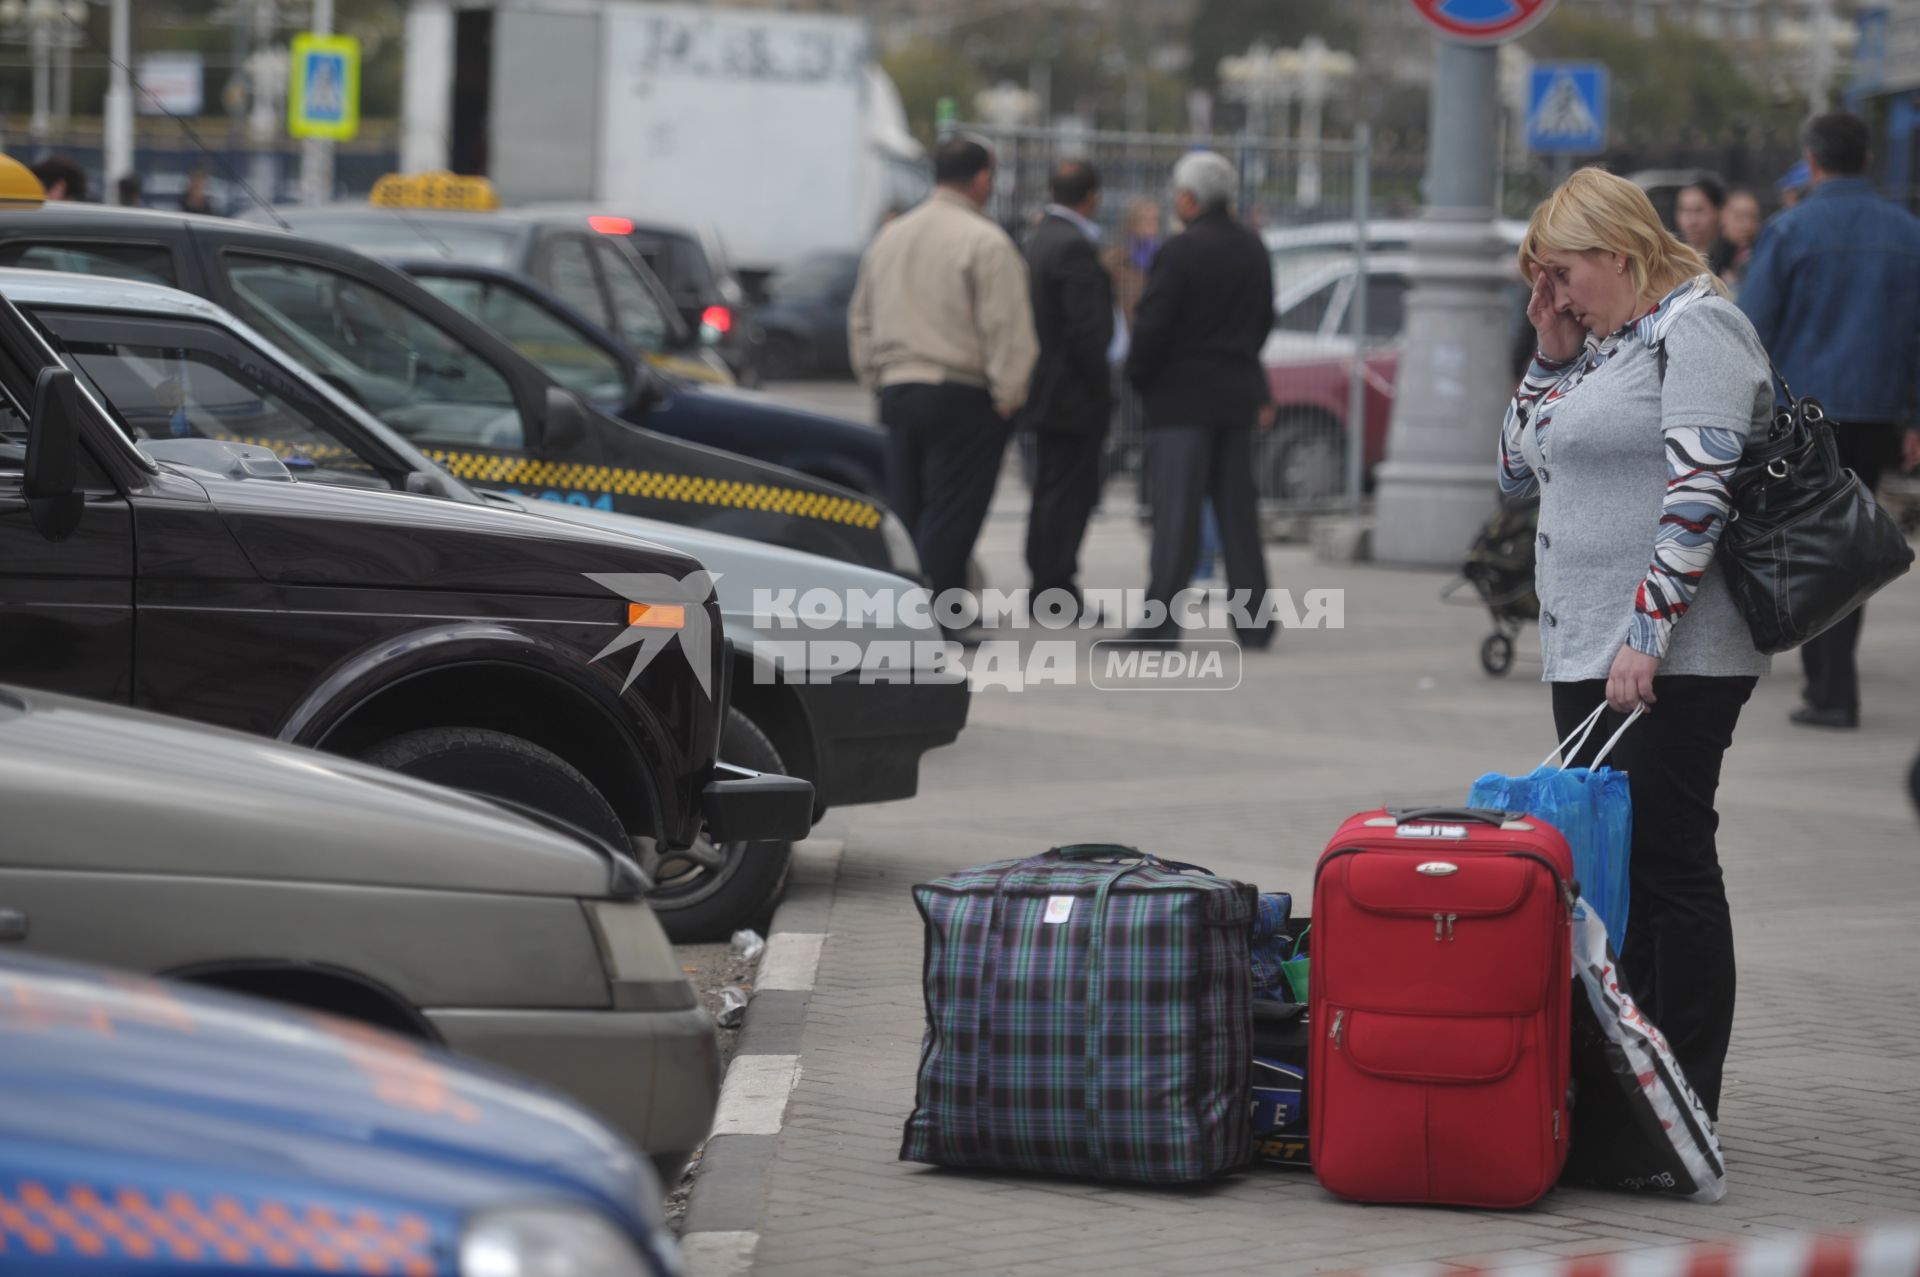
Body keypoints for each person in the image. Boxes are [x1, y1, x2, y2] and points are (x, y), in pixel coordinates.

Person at [1500, 166, 1772, 1120]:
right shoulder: (1608, 342)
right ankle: (1635, 1080)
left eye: (1565, 271)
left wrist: (1645, 636)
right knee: (1615, 874)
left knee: (1668, 863)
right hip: (1591, 645)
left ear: (1618, 252)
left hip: (1670, 657)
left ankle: (1686, 1093)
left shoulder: (1698, 328)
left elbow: (1698, 493)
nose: (1557, 291)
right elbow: (1511, 466)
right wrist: (1547, 349)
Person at [1738, 111, 1920, 730]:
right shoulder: (1908, 233)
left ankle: (1831, 687)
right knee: (1849, 536)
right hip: (1877, 412)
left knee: (1812, 540)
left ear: (1812, 163)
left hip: (1803, 417)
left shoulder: (1789, 231)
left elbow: (1750, 331)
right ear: (1868, 160)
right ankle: (1830, 682)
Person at [848, 136, 1037, 622]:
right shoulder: (985, 241)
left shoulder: (891, 236)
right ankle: (940, 617)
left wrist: (876, 376)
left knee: (909, 511)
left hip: (898, 388)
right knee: (953, 512)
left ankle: (905, 612)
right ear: (982, 179)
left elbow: (861, 318)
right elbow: (1008, 329)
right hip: (961, 392)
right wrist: (1008, 394)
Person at [1121, 151, 1274, 647]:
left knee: (1176, 515)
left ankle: (1161, 622)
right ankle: (1255, 624)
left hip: (1180, 401)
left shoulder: (1180, 251)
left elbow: (1152, 326)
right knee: (1238, 514)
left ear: (1188, 198)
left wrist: (1139, 378)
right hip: (1235, 397)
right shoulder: (1254, 249)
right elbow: (1263, 320)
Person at [1020, 161, 1115, 608]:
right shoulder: (1074, 246)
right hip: (1072, 396)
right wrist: (1104, 389)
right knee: (1069, 495)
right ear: (1091, 197)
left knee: (1049, 490)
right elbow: (1086, 333)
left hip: (1045, 390)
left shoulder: (1040, 238)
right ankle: (1056, 587)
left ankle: (1045, 581)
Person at [1674, 177, 1735, 277]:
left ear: (1719, 212)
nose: (1692, 221)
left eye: (1699, 210)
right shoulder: (1672, 262)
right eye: (1685, 210)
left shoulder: (1735, 259)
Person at [1718, 188, 1762, 290]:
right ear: (1723, 217)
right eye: (1740, 217)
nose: (1747, 225)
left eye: (1753, 218)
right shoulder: (1715, 252)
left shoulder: (1761, 254)